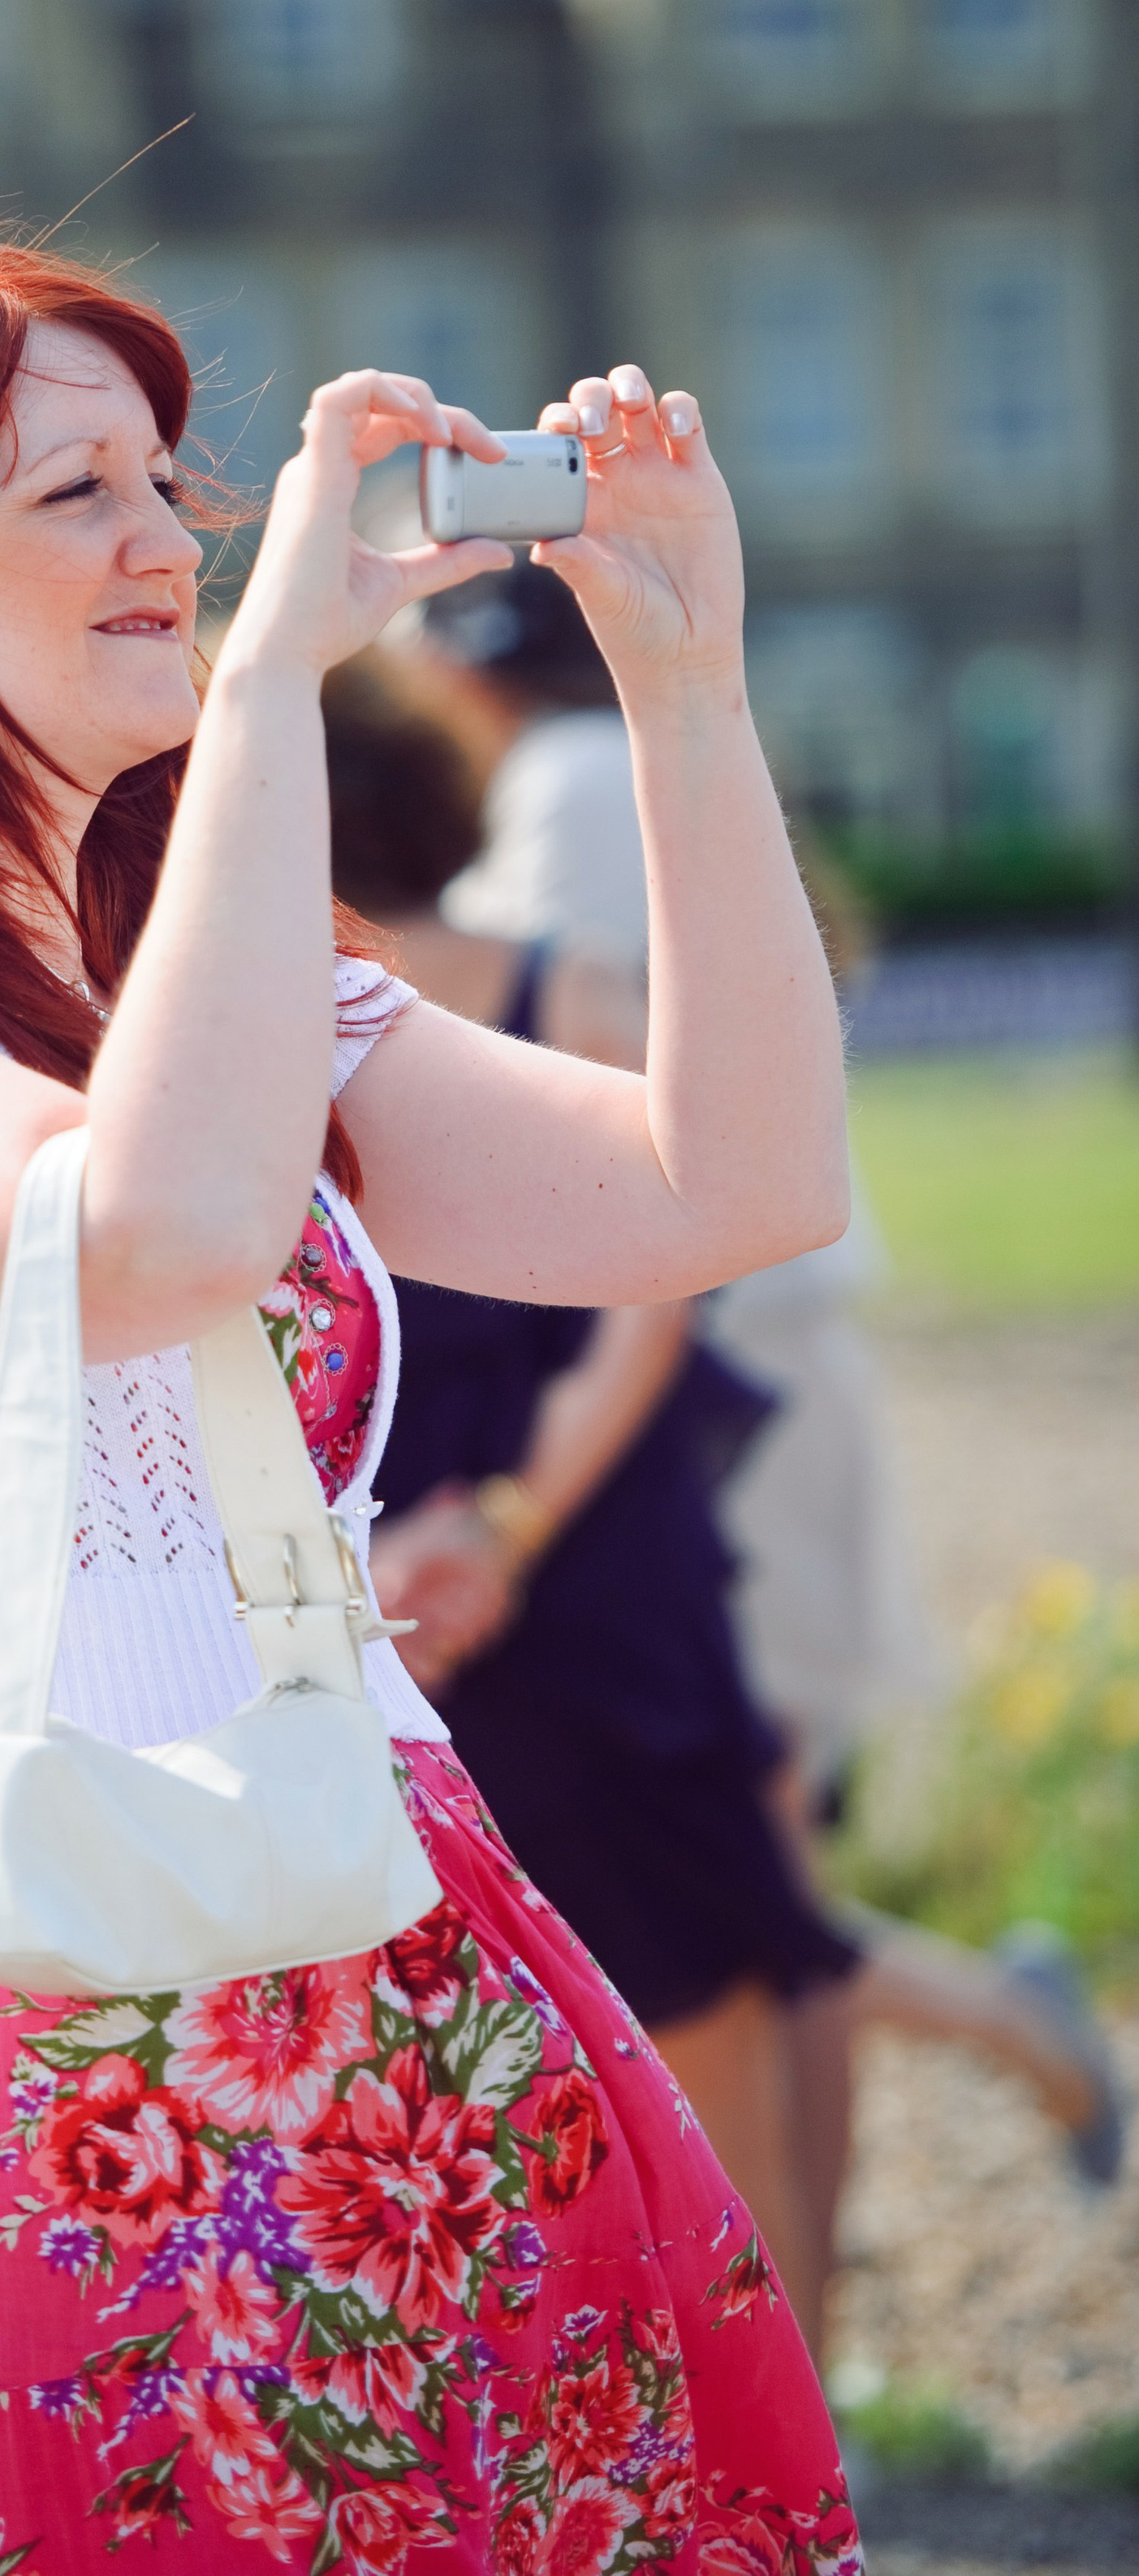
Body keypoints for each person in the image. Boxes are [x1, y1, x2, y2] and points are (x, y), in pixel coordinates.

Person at [0, 226, 861, 2573]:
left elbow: (740, 1180)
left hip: (398, 1924)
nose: (170, 541)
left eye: (170, 483)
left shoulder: (233, 989)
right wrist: (273, 682)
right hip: (15, 1998)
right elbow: (144, 1237)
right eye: (74, 493)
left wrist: (690, 695)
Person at [411, 573, 1125, 2259]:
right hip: (732, 1351)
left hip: (714, 1366)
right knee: (748, 1872)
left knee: (745, 1885)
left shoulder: (560, 788)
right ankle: (837, 2313)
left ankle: (813, 2363)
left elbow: (475, 1020)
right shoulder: (623, 756)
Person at [328, 656, 862, 2351]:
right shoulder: (286, 1033)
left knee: (694, 1973)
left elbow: (653, 1306)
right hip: (421, 1575)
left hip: (551, 1563)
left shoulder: (561, 990)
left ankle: (773, 2427)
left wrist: (498, 1528)